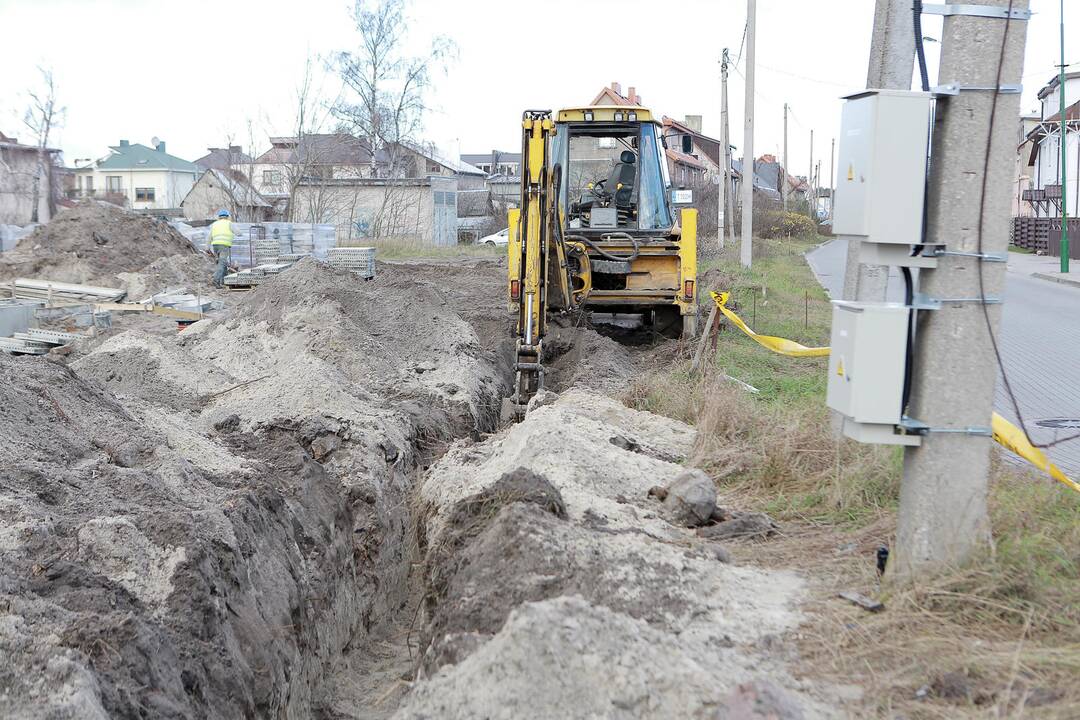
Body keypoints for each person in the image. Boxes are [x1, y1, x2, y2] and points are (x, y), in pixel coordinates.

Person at [209, 209, 235, 288]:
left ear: (219, 217)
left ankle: (224, 281)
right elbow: (238, 232)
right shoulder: (229, 223)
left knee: (222, 263)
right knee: (222, 263)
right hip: (223, 246)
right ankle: (216, 280)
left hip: (215, 246)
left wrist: (207, 247)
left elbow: (209, 237)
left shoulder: (214, 224)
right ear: (227, 216)